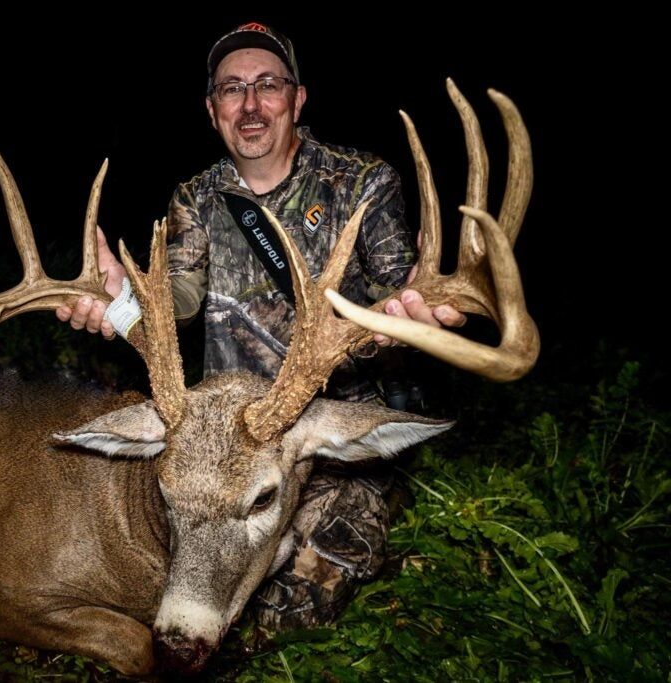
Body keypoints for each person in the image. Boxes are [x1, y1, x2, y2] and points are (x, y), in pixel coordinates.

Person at [57, 22, 464, 630]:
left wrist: (411, 314)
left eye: (267, 85)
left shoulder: (361, 181)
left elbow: (395, 286)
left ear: (297, 99)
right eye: (231, 89)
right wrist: (118, 303)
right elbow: (179, 300)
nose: (249, 105)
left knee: (312, 580)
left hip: (325, 423)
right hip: (225, 437)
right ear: (212, 108)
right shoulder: (198, 195)